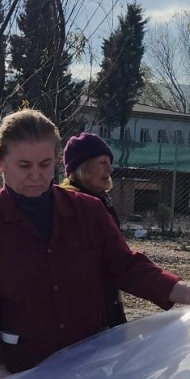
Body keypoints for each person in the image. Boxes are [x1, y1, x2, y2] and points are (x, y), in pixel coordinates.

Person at [0, 109, 190, 379]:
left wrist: (182, 290)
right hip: (17, 370)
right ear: (1, 163)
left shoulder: (87, 212)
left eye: (44, 164)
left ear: (56, 161)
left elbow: (124, 265)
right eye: (24, 165)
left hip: (86, 366)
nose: (35, 175)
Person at [62, 131, 127, 326]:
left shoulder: (100, 199)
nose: (110, 169)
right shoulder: (71, 204)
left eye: (110, 162)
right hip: (83, 308)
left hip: (106, 297)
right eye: (102, 163)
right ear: (81, 166)